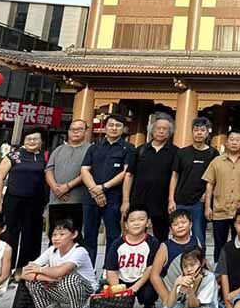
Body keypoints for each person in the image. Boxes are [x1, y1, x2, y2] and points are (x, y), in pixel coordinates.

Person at [80, 114, 134, 265]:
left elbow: (126, 172)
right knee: (89, 235)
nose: (114, 128)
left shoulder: (128, 148)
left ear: (123, 129)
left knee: (113, 235)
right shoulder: (94, 147)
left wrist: (103, 187)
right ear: (105, 127)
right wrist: (94, 189)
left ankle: (108, 270)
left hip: (113, 198)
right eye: (111, 125)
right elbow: (84, 170)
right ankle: (88, 271)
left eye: (118, 126)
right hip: (91, 198)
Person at [0, 128, 47, 271]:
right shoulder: (13, 156)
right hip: (13, 200)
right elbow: (0, 179)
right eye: (29, 139)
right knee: (10, 234)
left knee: (32, 236)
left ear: (41, 141)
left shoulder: (44, 157)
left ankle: (24, 269)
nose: (32, 142)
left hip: (35, 202)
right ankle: (6, 269)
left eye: (35, 139)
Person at [22, 218, 96, 308]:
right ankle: (49, 306)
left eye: (62, 234)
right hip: (62, 288)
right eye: (54, 235)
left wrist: (41, 270)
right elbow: (25, 272)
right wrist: (52, 278)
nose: (57, 238)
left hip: (85, 291)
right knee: (31, 279)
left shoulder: (80, 251)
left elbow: (61, 272)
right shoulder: (51, 250)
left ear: (74, 234)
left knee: (69, 277)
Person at [123, 113, 178, 243]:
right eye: (158, 128)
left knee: (161, 236)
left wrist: (171, 199)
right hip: (139, 200)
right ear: (152, 130)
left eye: (165, 129)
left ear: (169, 132)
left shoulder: (175, 152)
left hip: (161, 202)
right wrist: (125, 200)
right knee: (137, 233)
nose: (161, 131)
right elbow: (129, 175)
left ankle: (159, 261)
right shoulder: (140, 150)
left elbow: (174, 177)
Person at [203, 129, 240, 262]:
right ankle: (219, 274)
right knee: (219, 244)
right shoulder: (216, 161)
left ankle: (235, 271)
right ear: (226, 142)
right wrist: (207, 207)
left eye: (238, 140)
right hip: (220, 210)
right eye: (231, 139)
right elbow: (209, 184)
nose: (234, 143)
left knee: (239, 243)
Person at [169, 117, 219, 247]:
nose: (199, 133)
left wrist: (207, 196)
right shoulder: (182, 152)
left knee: (199, 236)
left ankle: (199, 263)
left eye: (202, 130)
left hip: (199, 202)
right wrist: (171, 199)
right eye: (196, 130)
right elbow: (174, 176)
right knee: (178, 234)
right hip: (180, 200)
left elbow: (215, 179)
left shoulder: (213, 153)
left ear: (208, 133)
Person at [103, 204, 160, 308]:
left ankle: (149, 305)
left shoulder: (152, 242)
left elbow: (151, 268)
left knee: (149, 292)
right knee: (104, 291)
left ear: (148, 223)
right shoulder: (117, 243)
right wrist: (118, 291)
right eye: (132, 220)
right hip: (122, 280)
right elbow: (111, 269)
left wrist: (135, 288)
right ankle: (123, 303)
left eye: (141, 219)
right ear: (126, 224)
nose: (136, 223)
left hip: (141, 280)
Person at [151, 209, 201, 306]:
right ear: (170, 229)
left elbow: (202, 264)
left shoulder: (196, 241)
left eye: (183, 222)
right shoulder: (165, 246)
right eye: (175, 224)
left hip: (194, 292)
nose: (180, 226)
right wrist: (166, 297)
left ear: (190, 224)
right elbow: (154, 275)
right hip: (174, 293)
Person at [46, 119, 91, 228]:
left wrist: (67, 186)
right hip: (56, 200)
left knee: (74, 233)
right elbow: (49, 170)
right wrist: (56, 188)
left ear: (86, 131)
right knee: (55, 234)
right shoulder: (59, 149)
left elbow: (87, 172)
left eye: (79, 129)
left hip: (77, 200)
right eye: (72, 129)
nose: (75, 132)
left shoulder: (91, 149)